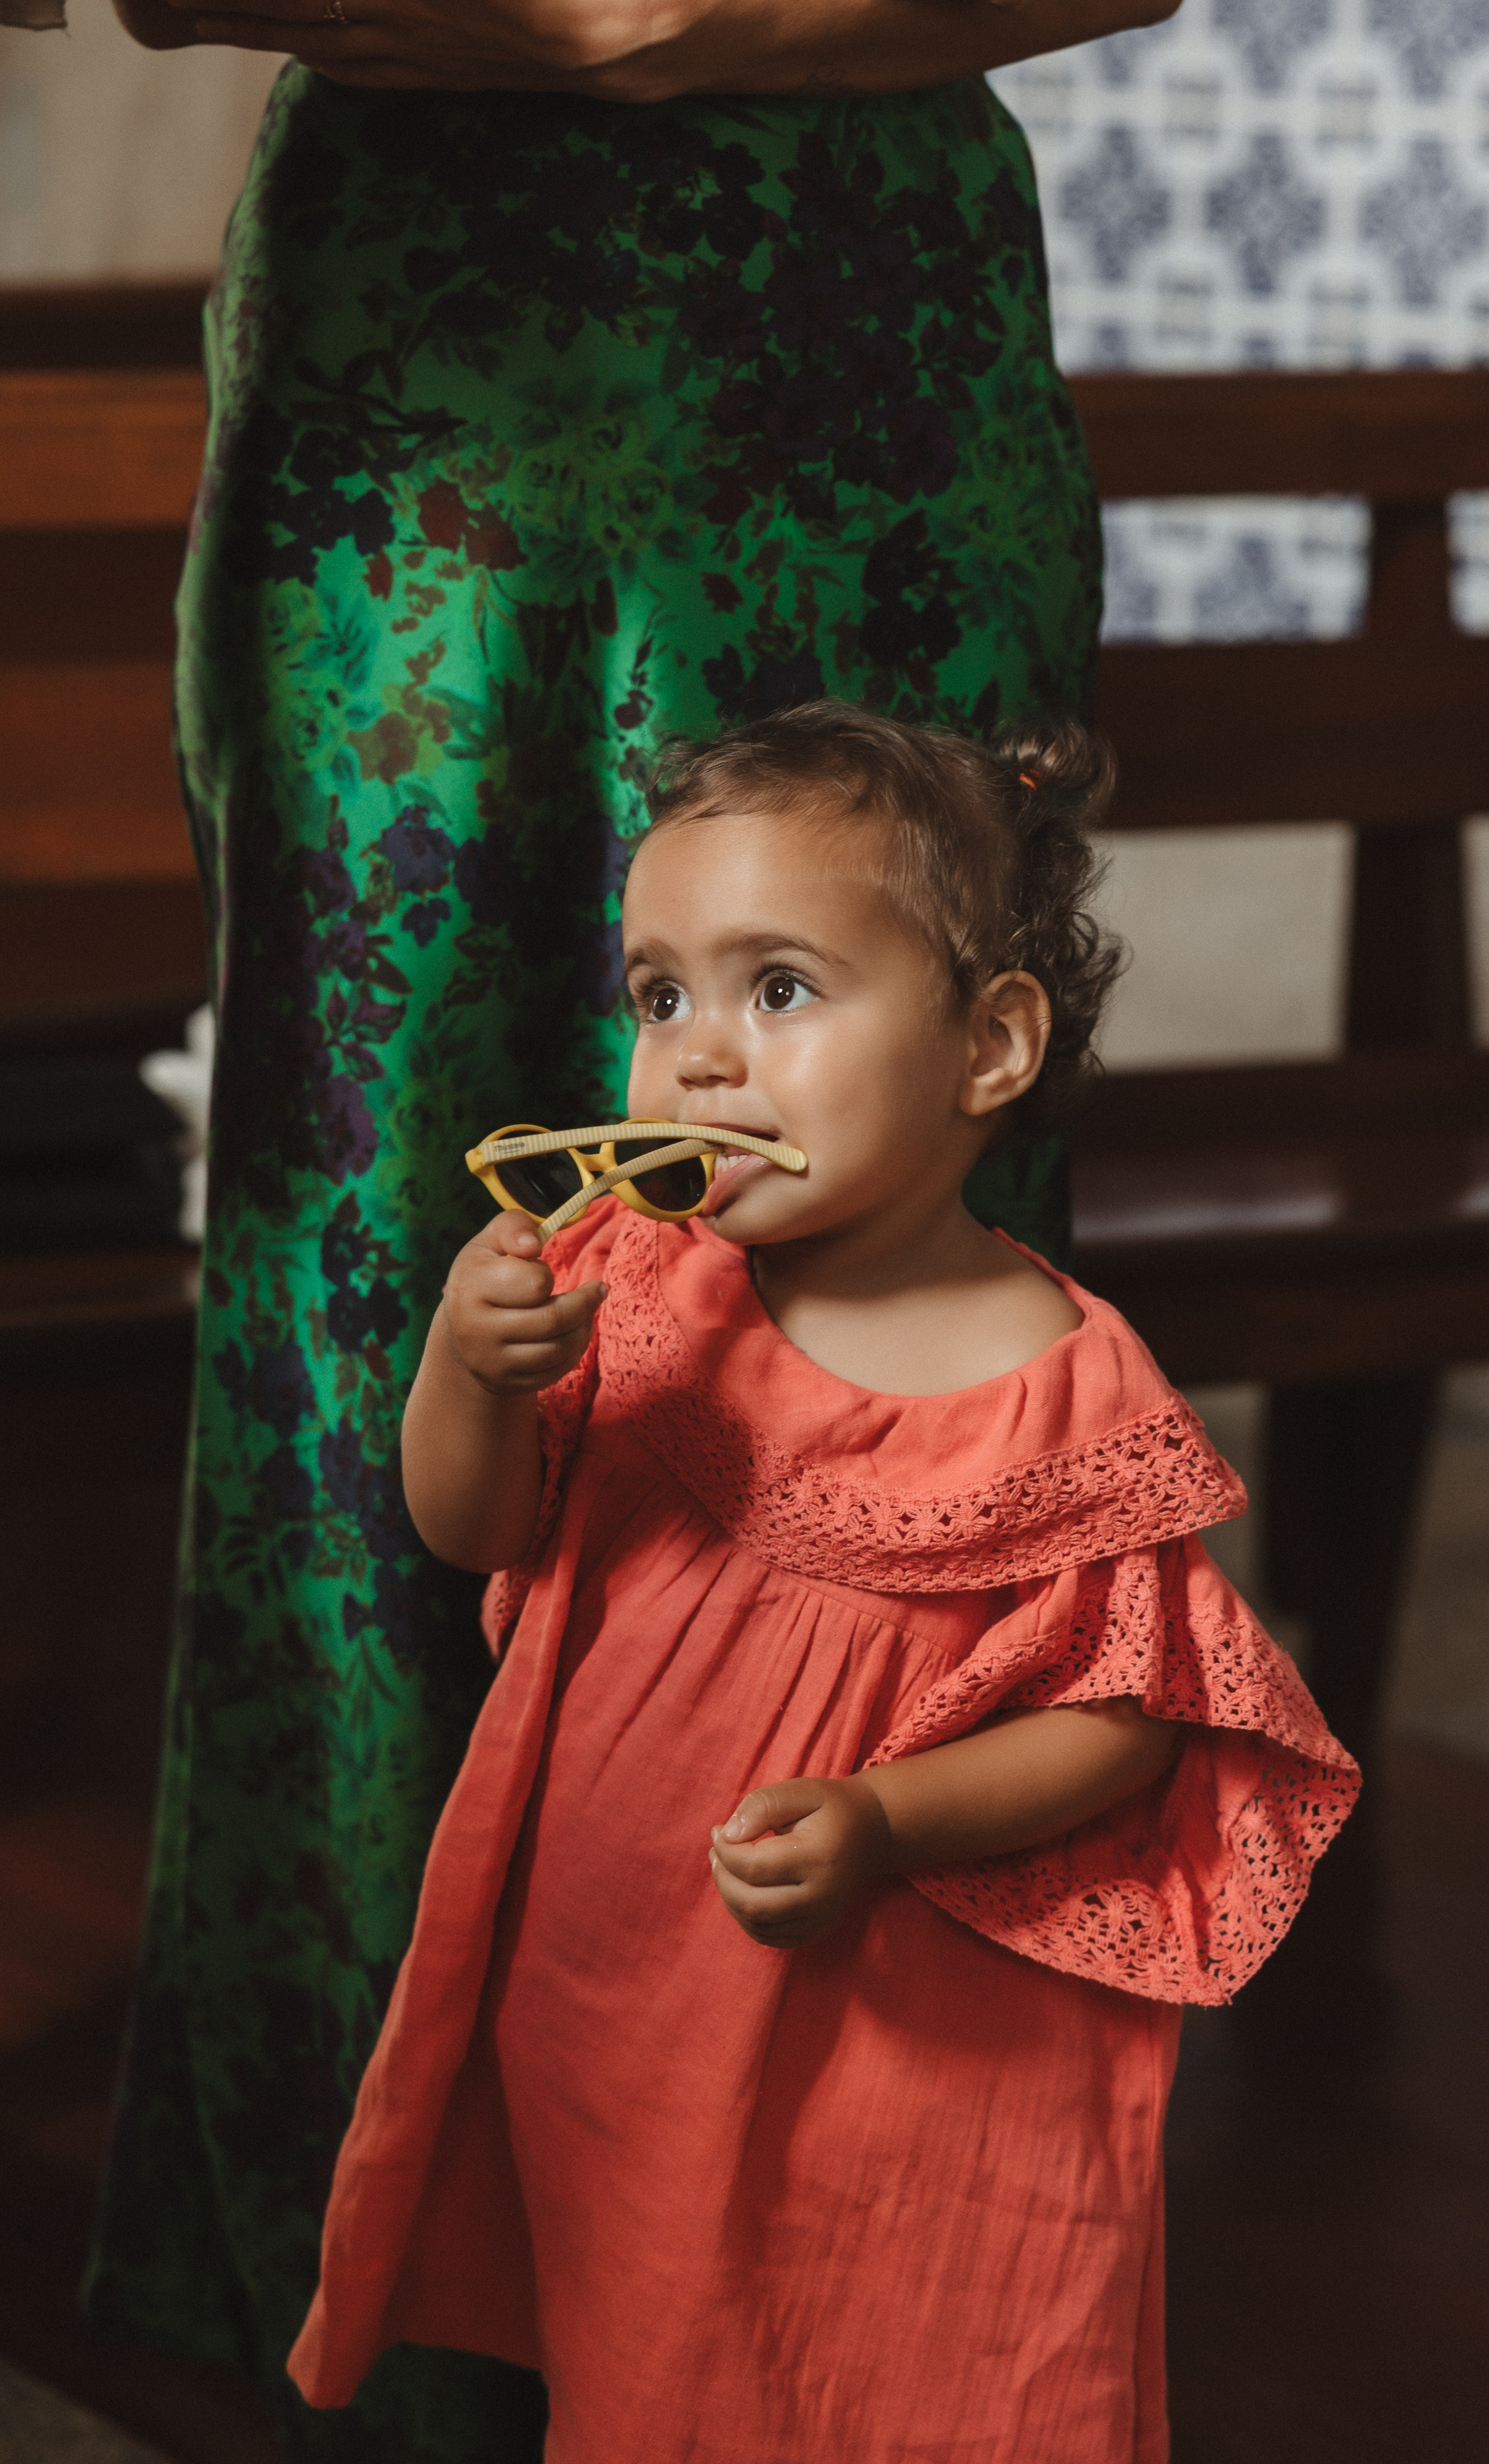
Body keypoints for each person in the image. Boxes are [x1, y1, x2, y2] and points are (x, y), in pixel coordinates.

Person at [70, 3, 1181, 2455]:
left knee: (877, 1228)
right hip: (423, 359)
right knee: (408, 1254)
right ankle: (393, 2319)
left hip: (866, 329)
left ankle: (856, 2277)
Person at [285, 705, 1358, 2462]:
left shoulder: (1065, 1388)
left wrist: (886, 1813)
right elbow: (476, 1530)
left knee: (866, 2361)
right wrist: (468, 1375)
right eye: (659, 995)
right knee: (645, 2347)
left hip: (893, 2039)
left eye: (779, 990)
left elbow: (1126, 1723)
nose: (700, 1056)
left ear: (990, 1044)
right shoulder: (631, 1275)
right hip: (625, 1977)